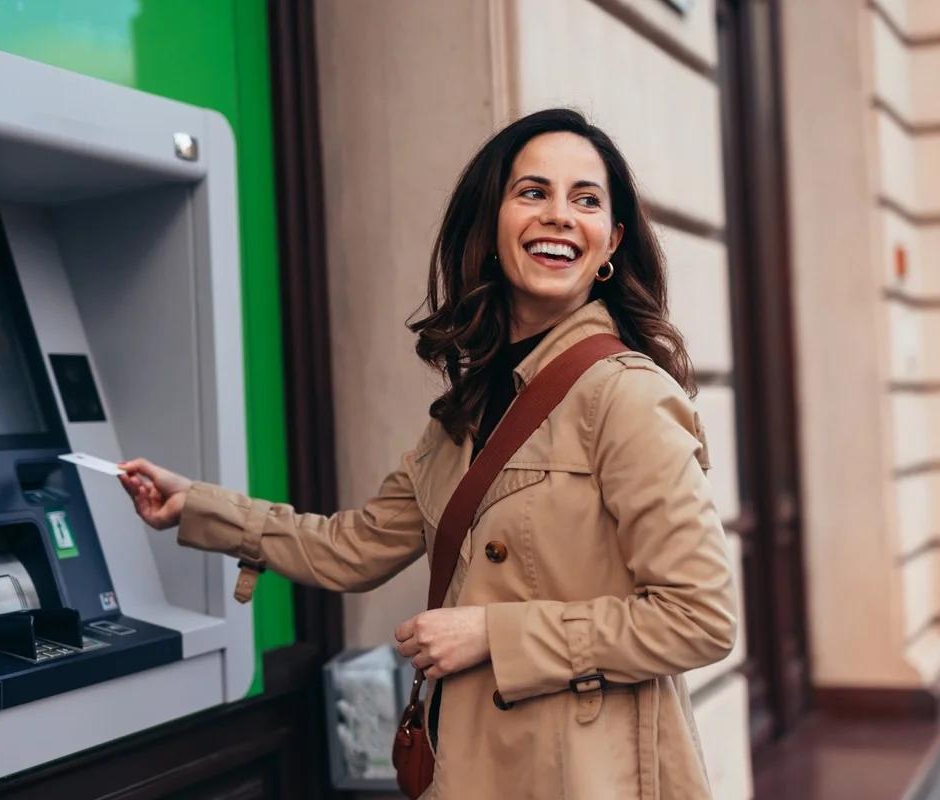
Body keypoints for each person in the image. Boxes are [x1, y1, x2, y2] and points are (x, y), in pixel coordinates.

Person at [118, 108, 737, 800]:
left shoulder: (626, 396)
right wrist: (196, 506)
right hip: (477, 768)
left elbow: (699, 617)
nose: (560, 215)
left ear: (611, 241)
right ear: (489, 224)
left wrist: (494, 634)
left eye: (585, 200)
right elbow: (350, 546)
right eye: (533, 192)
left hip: (590, 776)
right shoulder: (467, 412)